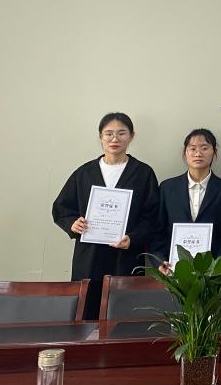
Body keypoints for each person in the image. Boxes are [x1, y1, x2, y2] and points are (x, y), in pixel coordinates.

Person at [52, 112, 160, 320]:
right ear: (100, 137)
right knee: (87, 316)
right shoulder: (84, 173)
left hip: (126, 257)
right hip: (89, 258)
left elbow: (152, 216)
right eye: (108, 134)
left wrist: (133, 238)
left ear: (131, 136)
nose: (114, 139)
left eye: (121, 133)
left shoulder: (143, 173)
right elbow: (62, 208)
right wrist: (73, 224)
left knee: (124, 315)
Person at [151, 128, 221, 270]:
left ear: (214, 153)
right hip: (172, 269)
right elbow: (157, 231)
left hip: (213, 273)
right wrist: (160, 261)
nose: (198, 154)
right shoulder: (167, 188)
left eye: (204, 148)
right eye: (192, 149)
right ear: (185, 153)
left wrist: (218, 265)